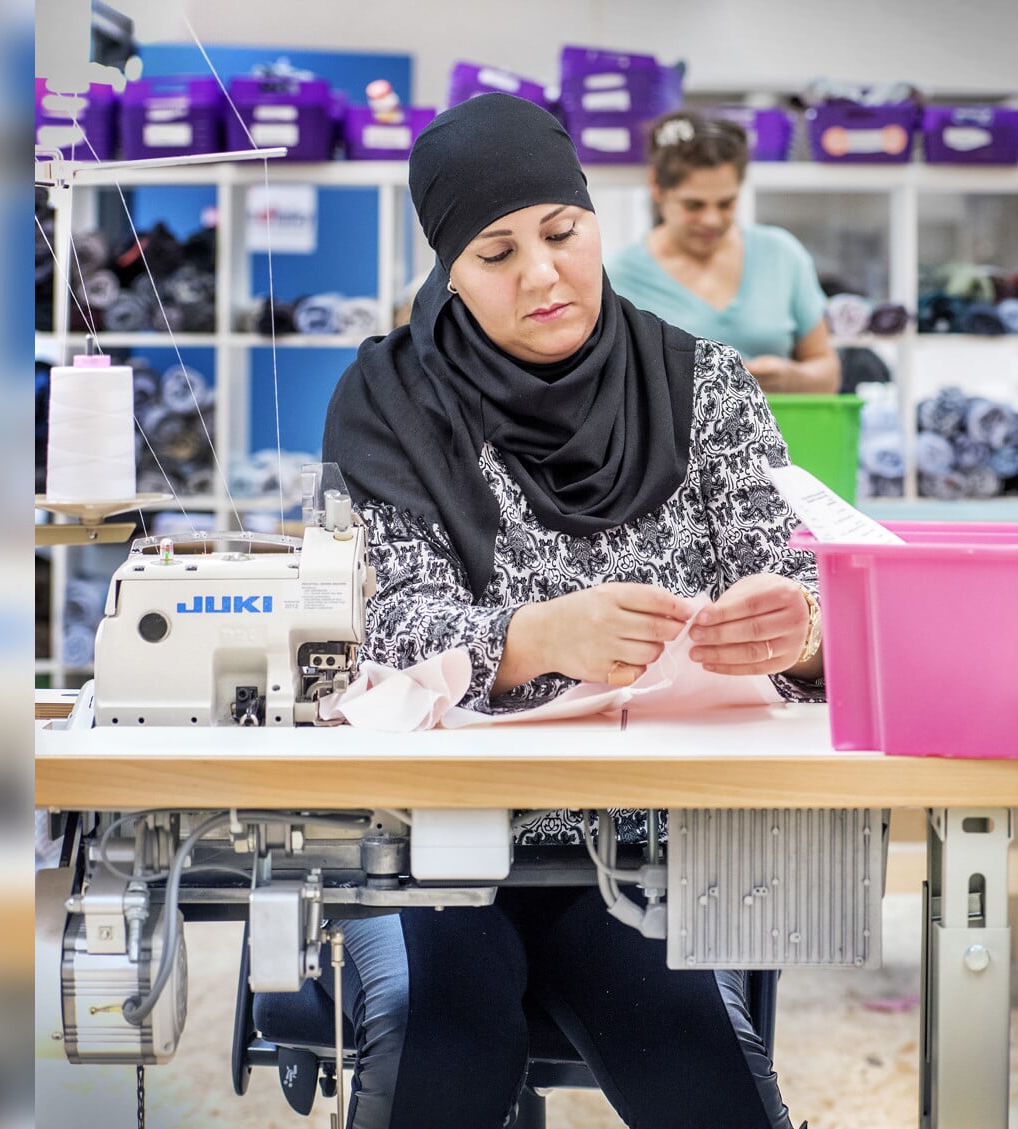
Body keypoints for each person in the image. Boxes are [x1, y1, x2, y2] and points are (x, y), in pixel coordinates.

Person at [310, 93, 822, 1129]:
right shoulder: (390, 406)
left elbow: (796, 579)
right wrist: (535, 639)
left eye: (561, 233)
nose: (542, 275)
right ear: (449, 269)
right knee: (443, 1049)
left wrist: (801, 632)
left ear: (599, 222)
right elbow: (374, 633)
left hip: (637, 851)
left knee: (703, 1076)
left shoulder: (706, 386)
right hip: (428, 848)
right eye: (495, 254)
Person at [607, 111, 840, 394]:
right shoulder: (618, 278)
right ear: (657, 186)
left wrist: (791, 378)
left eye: (726, 203)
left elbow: (828, 372)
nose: (712, 220)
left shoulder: (781, 254)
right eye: (694, 205)